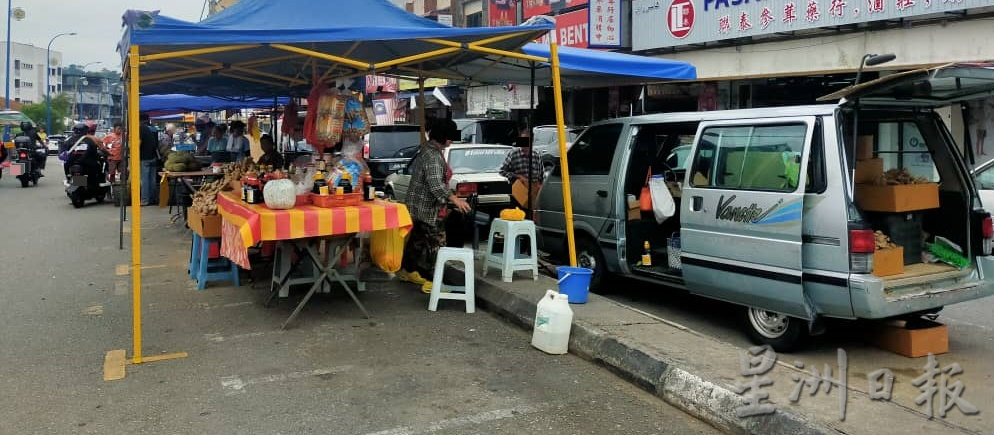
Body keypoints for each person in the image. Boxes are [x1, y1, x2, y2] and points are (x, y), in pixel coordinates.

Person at [397, 118, 471, 293]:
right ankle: (435, 282)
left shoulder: (427, 150)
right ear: (443, 136)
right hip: (427, 209)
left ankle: (408, 271)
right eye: (451, 136)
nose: (453, 139)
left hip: (416, 207)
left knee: (416, 241)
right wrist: (454, 199)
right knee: (437, 246)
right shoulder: (433, 156)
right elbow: (436, 185)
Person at [499, 125, 545, 208]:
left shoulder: (537, 155)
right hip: (518, 191)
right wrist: (518, 176)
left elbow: (541, 175)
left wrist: (540, 185)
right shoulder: (513, 154)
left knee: (531, 215)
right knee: (519, 214)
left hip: (533, 191)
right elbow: (502, 171)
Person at [139, 113, 161, 206]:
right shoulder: (154, 129)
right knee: (152, 179)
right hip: (154, 156)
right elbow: (157, 143)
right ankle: (153, 199)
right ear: (148, 119)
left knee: (144, 179)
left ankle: (145, 200)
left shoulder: (140, 129)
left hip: (144, 157)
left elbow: (138, 143)